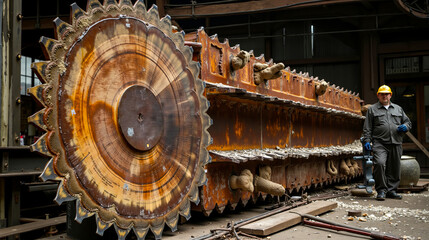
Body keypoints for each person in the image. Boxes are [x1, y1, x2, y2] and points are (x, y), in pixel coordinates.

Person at [362, 85, 411, 201]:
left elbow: (408, 122)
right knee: (379, 164)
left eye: (386, 94)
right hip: (380, 143)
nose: (384, 96)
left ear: (390, 95)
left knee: (394, 167)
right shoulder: (372, 109)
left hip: (396, 142)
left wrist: (405, 126)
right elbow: (367, 127)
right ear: (378, 95)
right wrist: (367, 140)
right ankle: (381, 190)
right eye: (382, 94)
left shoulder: (398, 109)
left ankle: (391, 190)